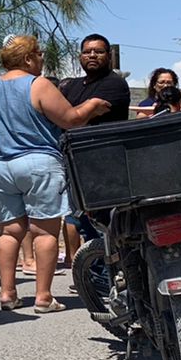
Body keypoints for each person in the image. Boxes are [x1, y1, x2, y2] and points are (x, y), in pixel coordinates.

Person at [0, 35, 110, 312]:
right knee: (44, 232)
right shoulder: (38, 84)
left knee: (9, 231)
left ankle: (8, 294)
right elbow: (71, 119)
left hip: (1, 166)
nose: (42, 58)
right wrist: (92, 106)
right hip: (38, 163)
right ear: (28, 58)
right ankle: (43, 297)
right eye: (39, 54)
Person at [58, 33, 131, 263]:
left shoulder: (114, 83)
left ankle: (113, 273)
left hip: (105, 163)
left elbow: (74, 119)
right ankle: (94, 275)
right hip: (76, 164)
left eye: (98, 51)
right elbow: (64, 118)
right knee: (80, 221)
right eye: (87, 51)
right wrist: (82, 110)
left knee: (105, 224)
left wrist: (74, 114)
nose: (92, 55)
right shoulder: (73, 85)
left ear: (108, 56)